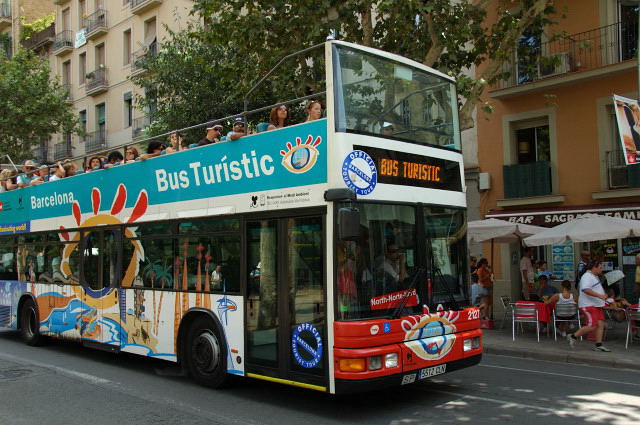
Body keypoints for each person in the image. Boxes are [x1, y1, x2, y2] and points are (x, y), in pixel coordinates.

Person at [567, 260, 611, 352]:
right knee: (592, 325)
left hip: (596, 305)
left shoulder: (594, 276)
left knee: (600, 324)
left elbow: (594, 289)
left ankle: (598, 345)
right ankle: (573, 336)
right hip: (588, 305)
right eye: (600, 267)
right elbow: (585, 289)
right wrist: (600, 296)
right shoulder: (587, 276)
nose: (601, 269)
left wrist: (603, 296)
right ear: (594, 267)